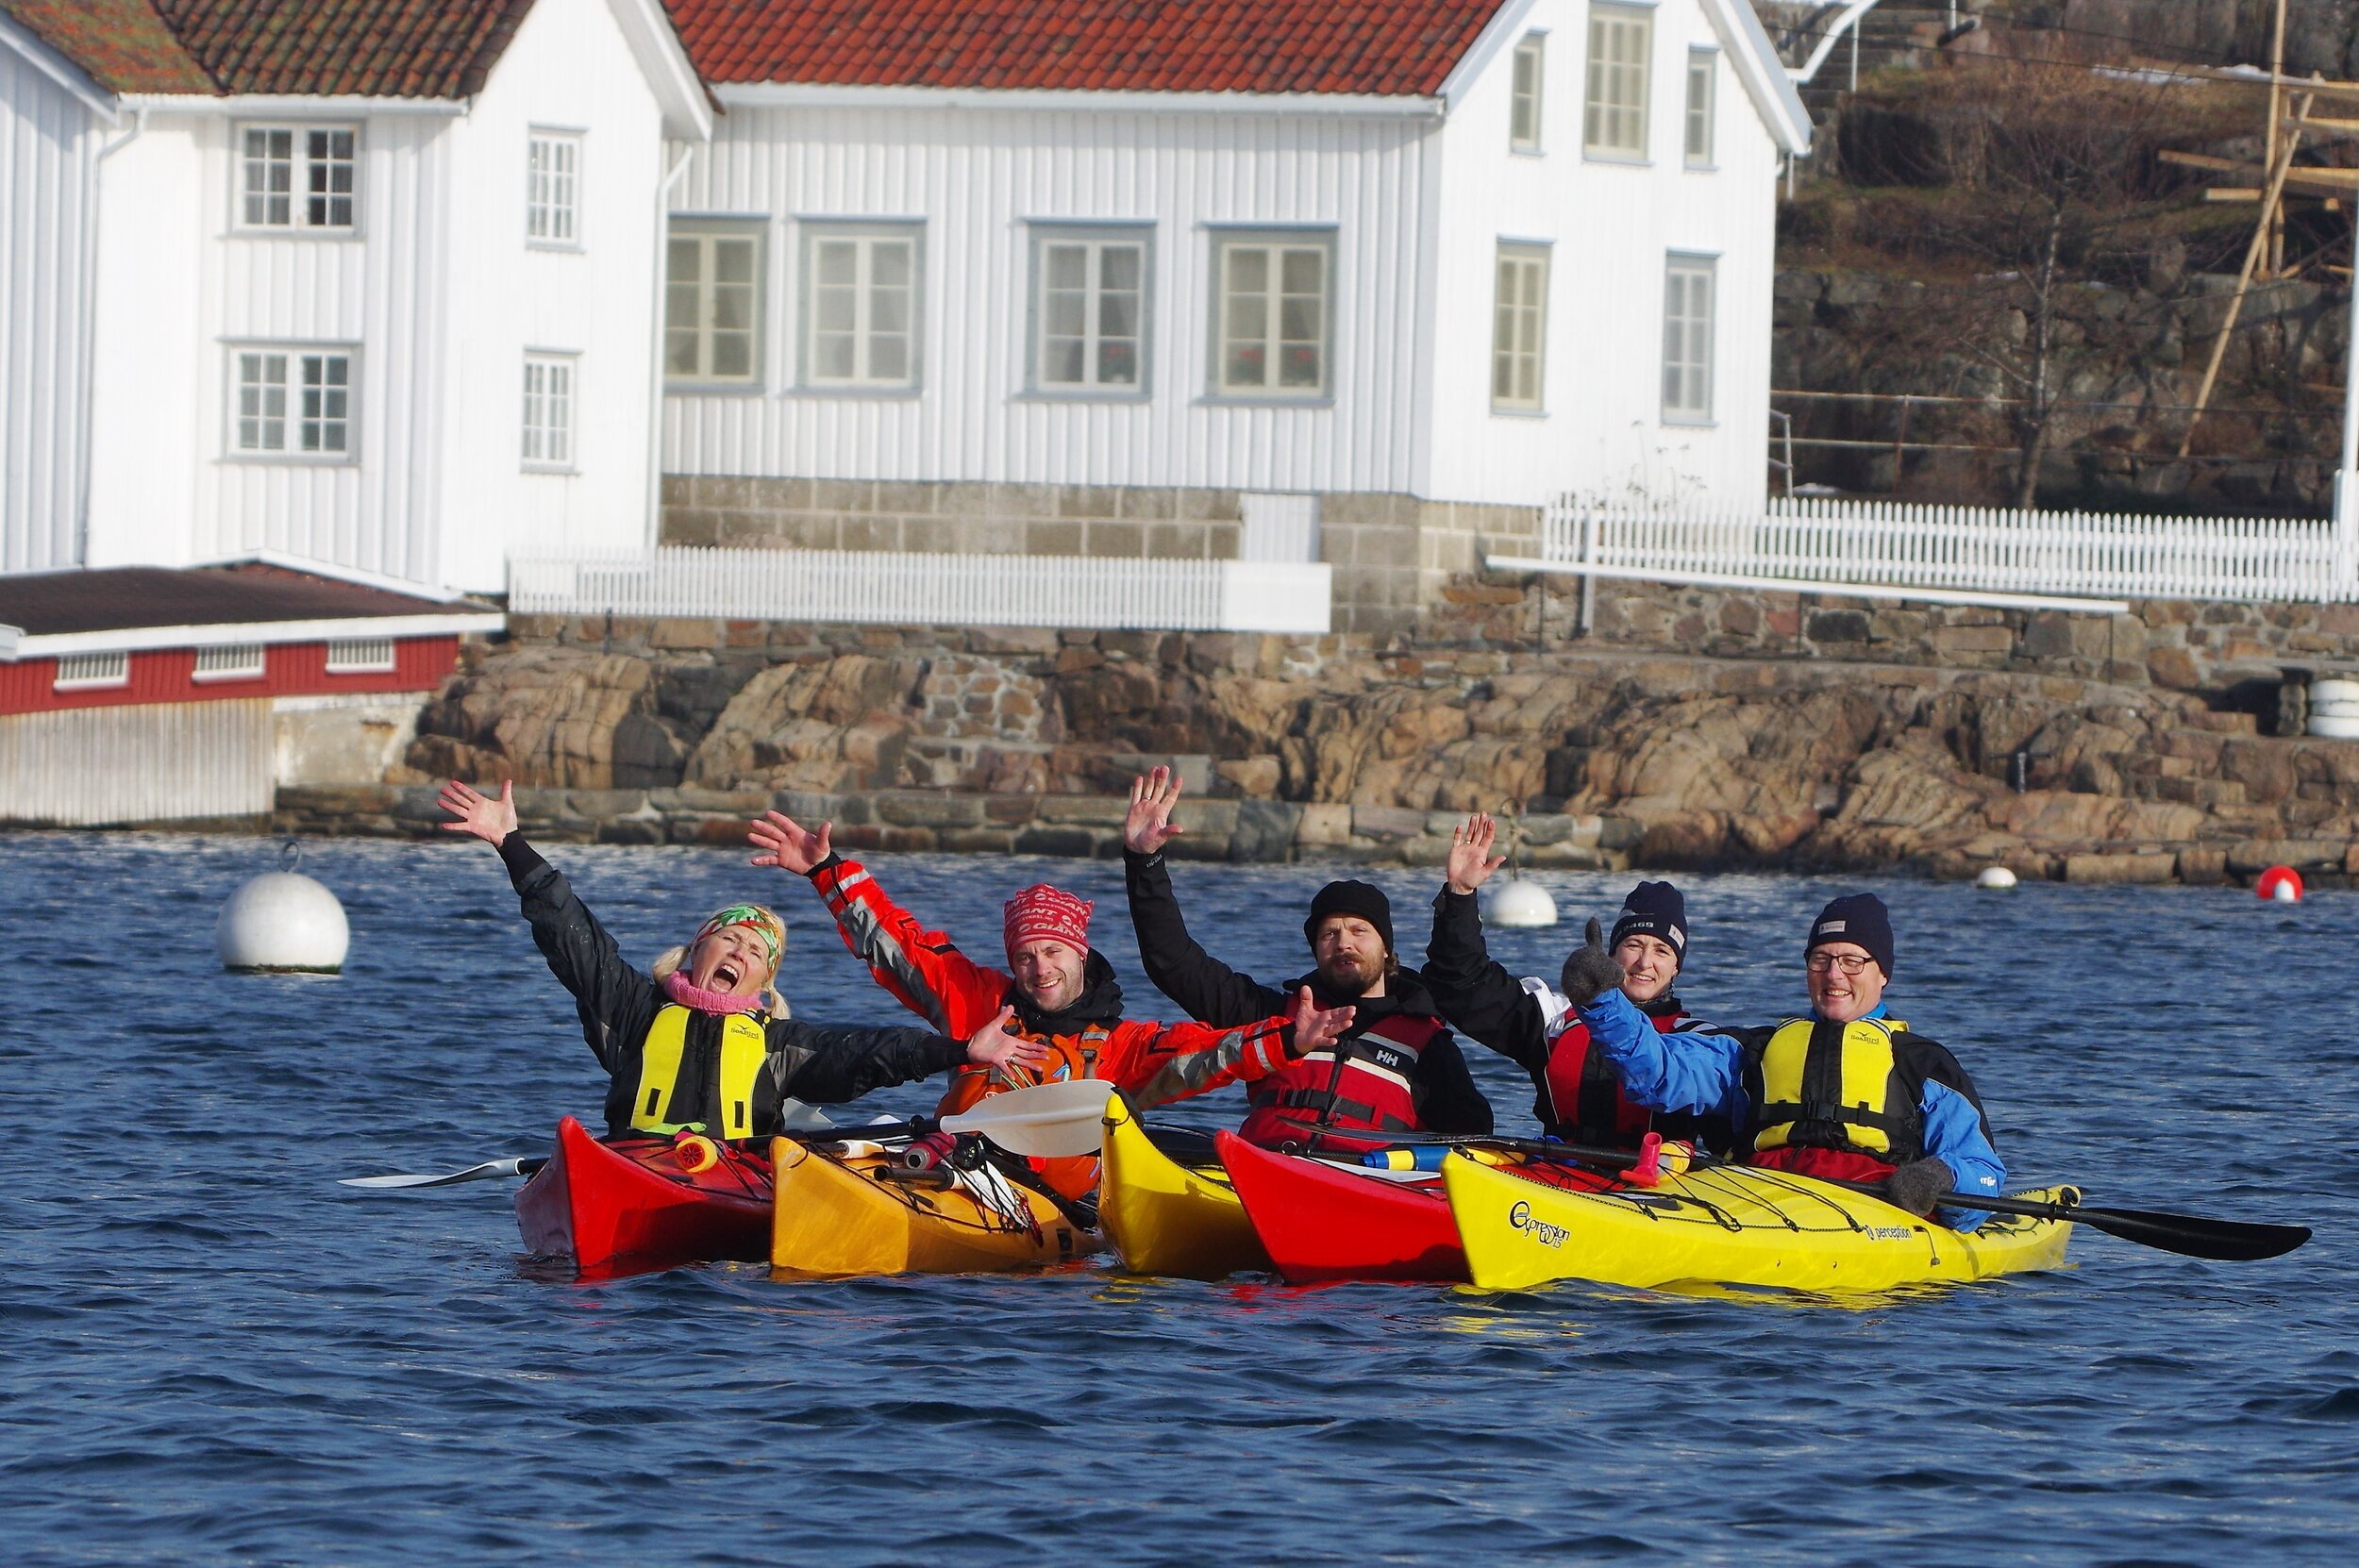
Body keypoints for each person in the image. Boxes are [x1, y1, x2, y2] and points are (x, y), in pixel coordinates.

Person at [745, 810, 1359, 1201]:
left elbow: (1210, 1056)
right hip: (953, 1172)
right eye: (1027, 955)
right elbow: (898, 945)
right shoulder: (979, 1002)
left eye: (1053, 952)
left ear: (1080, 954)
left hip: (1052, 1205)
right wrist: (828, 870)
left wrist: (1288, 1040)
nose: (1040, 967)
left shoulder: (1125, 1047)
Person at [439, 779, 1046, 1143]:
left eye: (757, 952)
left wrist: (962, 1051)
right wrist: (510, 844)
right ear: (697, 950)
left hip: (732, 1176)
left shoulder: (780, 1044)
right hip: (637, 1165)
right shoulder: (634, 1010)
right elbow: (571, 934)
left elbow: (878, 1052)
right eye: (729, 939)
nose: (741, 951)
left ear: (765, 980)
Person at [1564, 891, 2005, 1226]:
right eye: (1821, 960)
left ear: (1882, 973)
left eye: (1852, 961)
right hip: (1756, 1201)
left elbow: (1983, 1174)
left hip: (1871, 1209)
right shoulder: (1752, 1050)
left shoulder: (1923, 1064)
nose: (1834, 975)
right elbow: (1657, 1074)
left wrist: (1940, 1177)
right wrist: (1603, 1002)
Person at [1120, 767, 1494, 1154]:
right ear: (1316, 949)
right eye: (1329, 934)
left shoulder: (1429, 1045)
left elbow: (1475, 1140)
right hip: (1264, 1170)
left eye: (1359, 931)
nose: (1343, 943)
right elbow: (1173, 963)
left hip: (1366, 1184)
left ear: (1386, 949)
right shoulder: (1269, 1015)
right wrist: (1144, 862)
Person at [1423, 814, 1730, 1153]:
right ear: (1611, 954)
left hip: (1653, 1186)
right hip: (1558, 1175)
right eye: (1633, 945)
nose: (1645, 963)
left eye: (1662, 951)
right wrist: (1461, 895)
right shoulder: (1555, 1019)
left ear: (1676, 969)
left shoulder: (1699, 1039)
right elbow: (1463, 983)